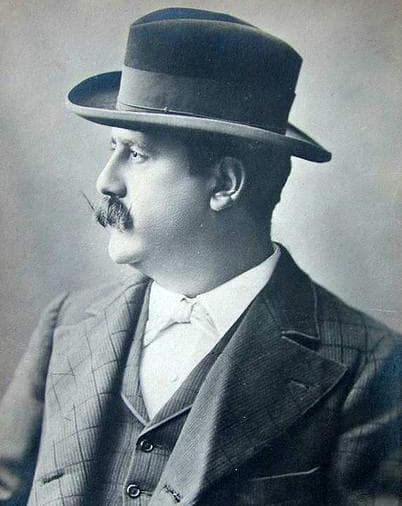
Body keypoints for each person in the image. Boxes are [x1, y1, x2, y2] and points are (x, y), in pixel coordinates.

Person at [0, 7, 400, 506]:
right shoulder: (67, 324)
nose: (107, 181)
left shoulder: (370, 368)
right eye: (112, 149)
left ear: (225, 183)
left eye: (136, 154)